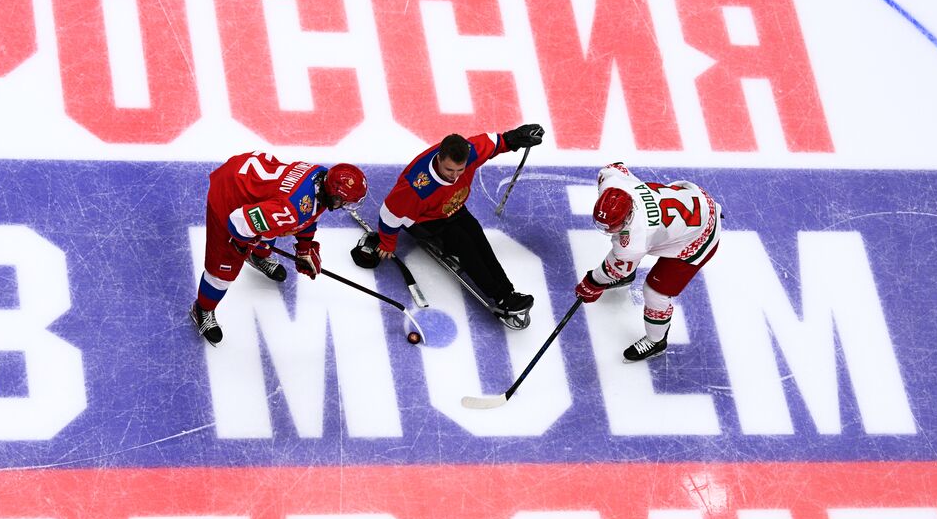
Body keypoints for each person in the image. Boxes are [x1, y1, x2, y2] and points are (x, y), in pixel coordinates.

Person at [352, 123, 546, 328]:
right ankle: (501, 299)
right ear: (439, 158)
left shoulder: (470, 152)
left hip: (452, 208)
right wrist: (388, 243)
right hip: (425, 222)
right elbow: (389, 214)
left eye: (460, 170)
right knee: (464, 244)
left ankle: (508, 293)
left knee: (476, 235)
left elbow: (494, 142)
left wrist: (515, 138)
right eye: (449, 169)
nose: (454, 175)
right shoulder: (417, 187)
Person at [191, 152, 367, 346]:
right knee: (223, 270)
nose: (348, 206)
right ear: (334, 196)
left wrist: (304, 249)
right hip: (228, 195)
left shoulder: (322, 177)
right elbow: (238, 222)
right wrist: (243, 244)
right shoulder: (292, 208)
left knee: (273, 224)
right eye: (346, 202)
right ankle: (202, 309)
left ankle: (259, 257)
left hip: (250, 180)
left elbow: (308, 215)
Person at [574, 162, 722, 361]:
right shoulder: (612, 182)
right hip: (694, 199)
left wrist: (592, 283)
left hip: (699, 235)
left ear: (628, 217)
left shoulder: (635, 241)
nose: (608, 232)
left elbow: (615, 269)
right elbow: (614, 167)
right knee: (627, 264)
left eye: (613, 226)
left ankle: (656, 341)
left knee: (655, 292)